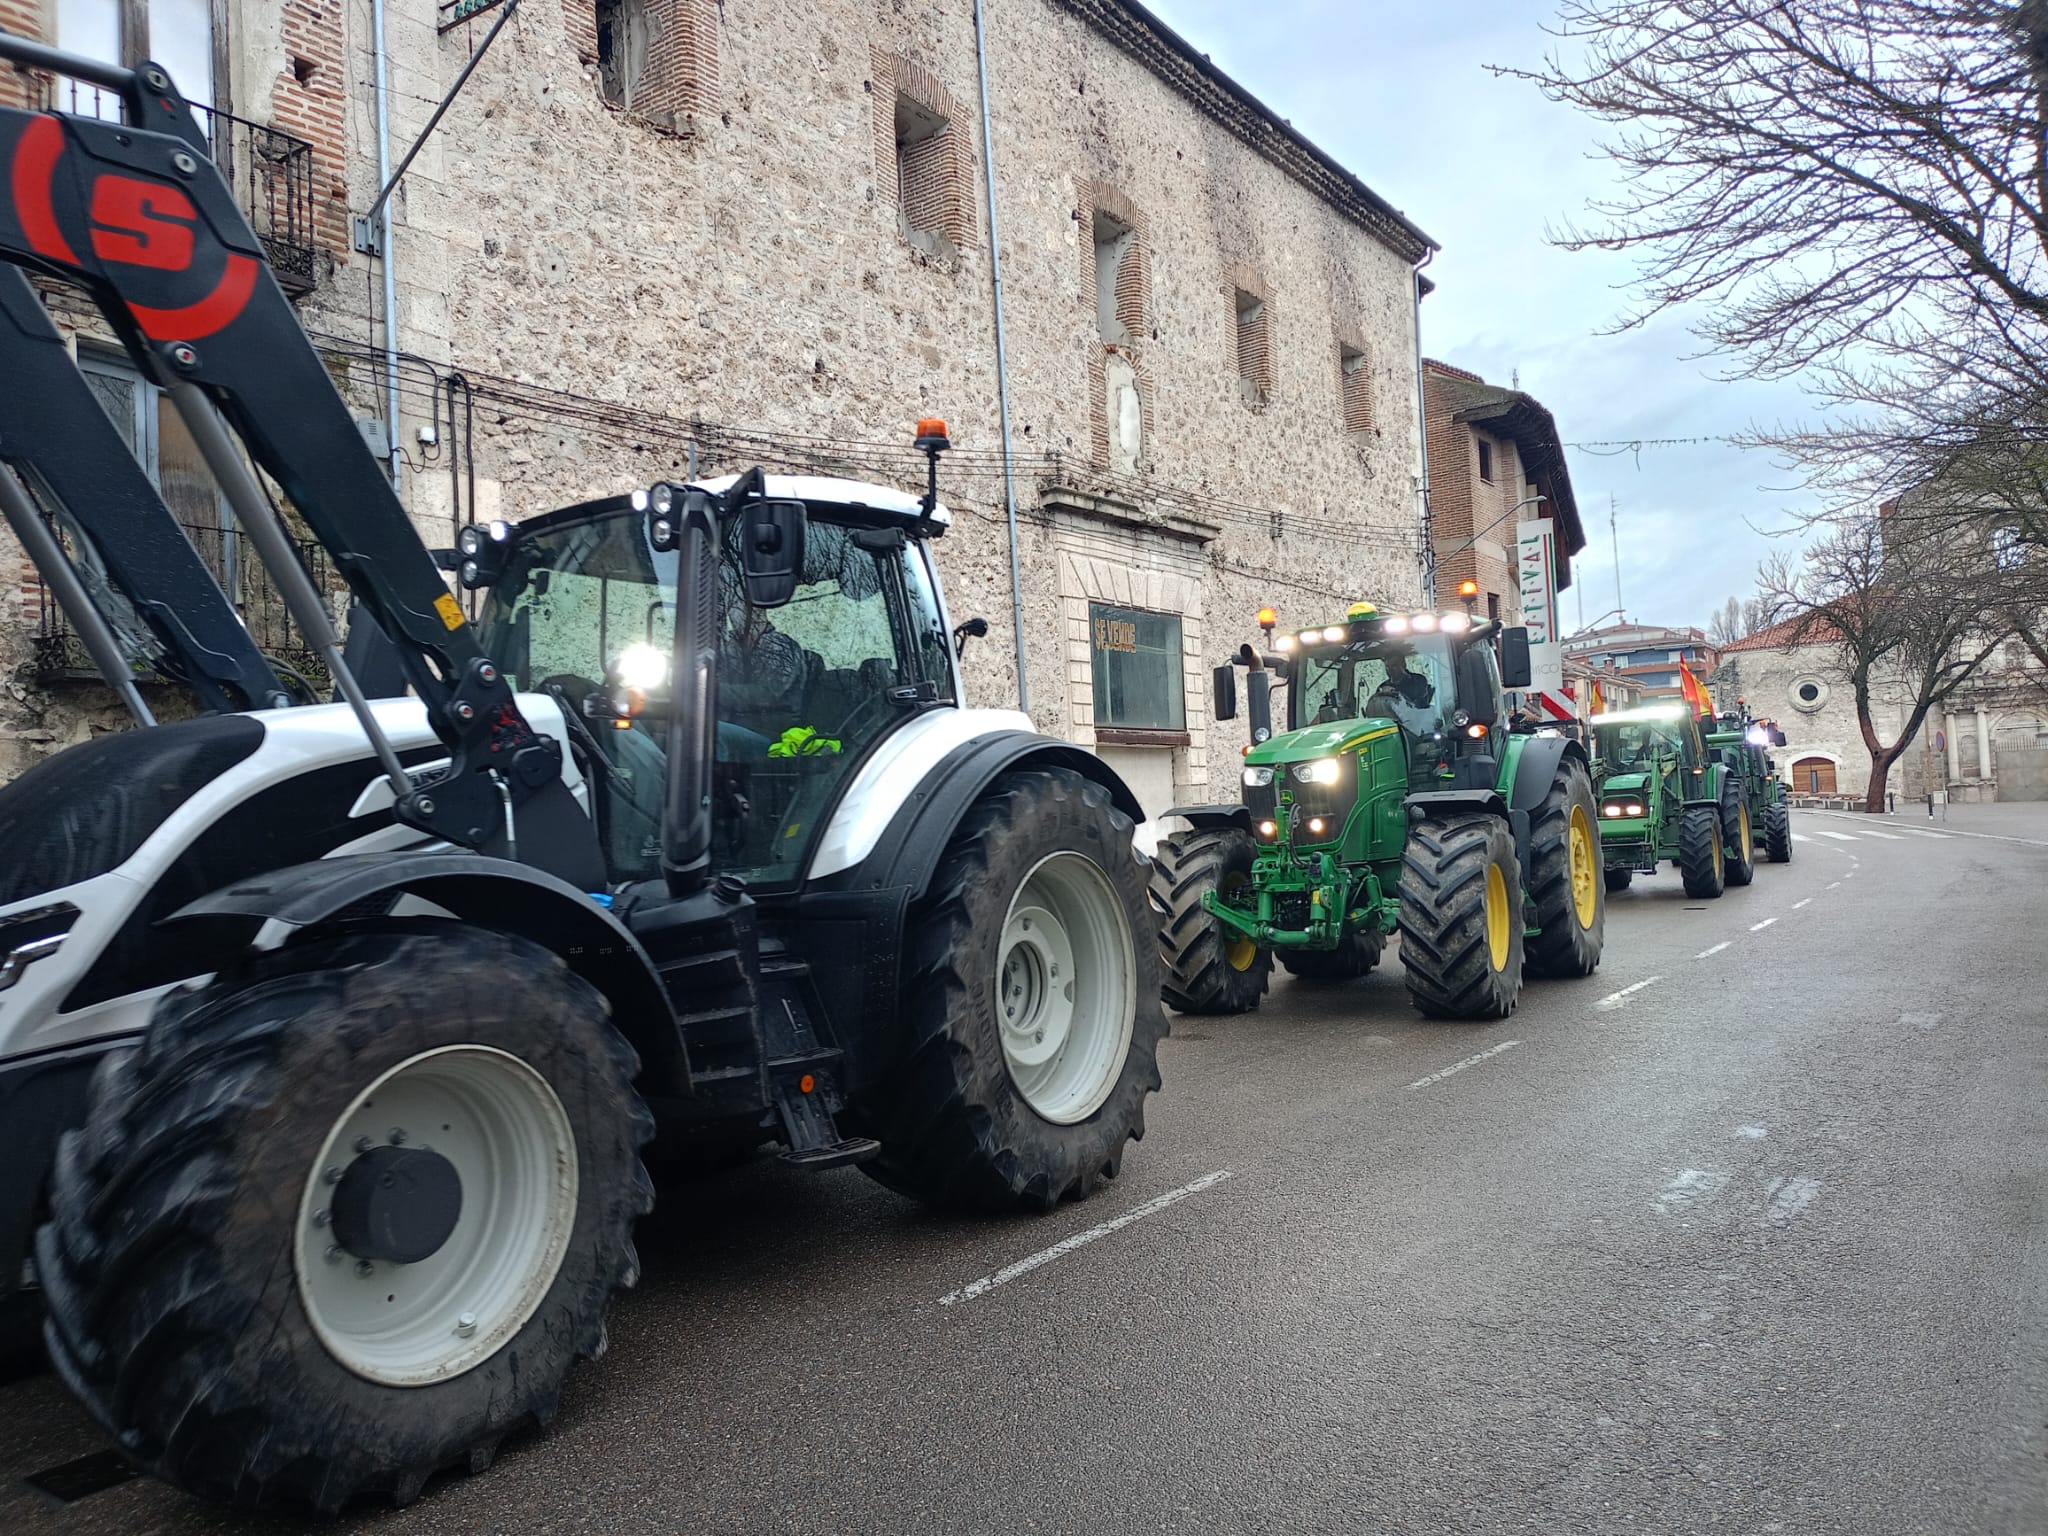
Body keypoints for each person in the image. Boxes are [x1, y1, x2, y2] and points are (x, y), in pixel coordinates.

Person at [1371, 649, 1438, 736]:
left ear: (1404, 665)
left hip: (1419, 728)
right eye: (1387, 667)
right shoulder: (1383, 687)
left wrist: (1395, 692)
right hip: (1393, 730)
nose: (1390, 670)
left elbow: (1419, 705)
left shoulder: (1418, 680)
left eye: (1394, 666)